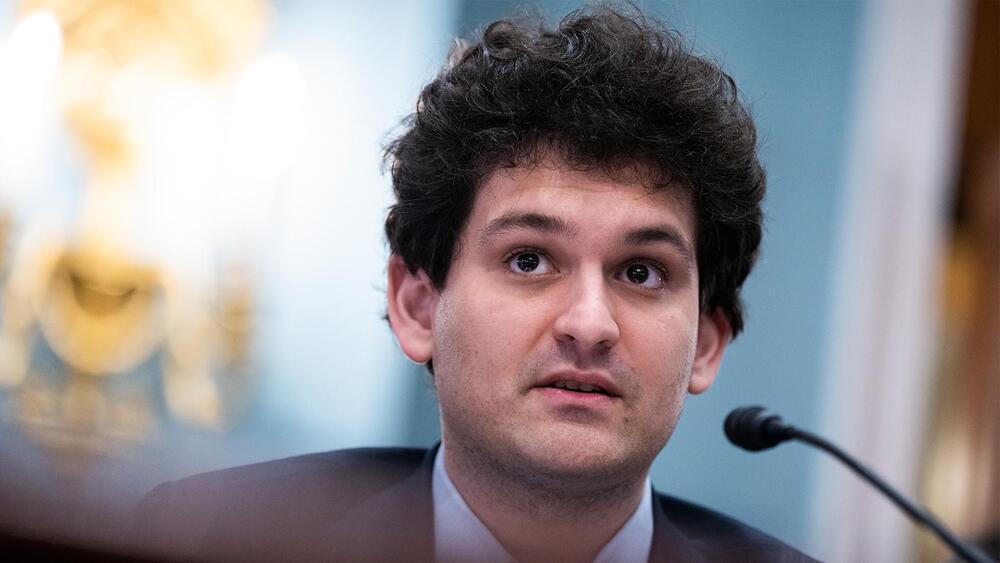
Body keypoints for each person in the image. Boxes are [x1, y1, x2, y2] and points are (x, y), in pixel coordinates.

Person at [136, 5, 817, 562]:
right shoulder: (204, 537)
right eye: (529, 260)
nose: (589, 324)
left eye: (641, 272)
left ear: (707, 343)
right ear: (417, 307)